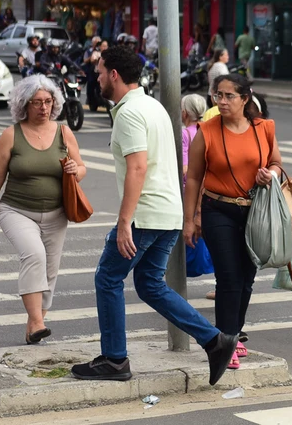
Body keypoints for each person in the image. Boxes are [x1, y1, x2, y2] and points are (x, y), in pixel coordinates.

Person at [72, 45, 237, 385]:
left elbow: (137, 168)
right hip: (168, 213)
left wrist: (123, 224)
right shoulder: (154, 106)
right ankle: (214, 340)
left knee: (107, 278)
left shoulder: (130, 113)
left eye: (101, 71)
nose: (97, 77)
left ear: (115, 75)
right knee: (149, 285)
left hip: (145, 215)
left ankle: (115, 359)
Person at [183, 74, 286, 370]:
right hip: (218, 209)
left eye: (229, 96)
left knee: (246, 279)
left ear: (245, 99)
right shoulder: (208, 130)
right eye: (219, 95)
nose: (222, 101)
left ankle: (236, 333)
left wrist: (272, 174)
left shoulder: (263, 128)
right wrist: (189, 220)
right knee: (228, 277)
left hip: (254, 212)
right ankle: (225, 341)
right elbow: (193, 178)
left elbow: (277, 162)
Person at [0, 76, 85, 343]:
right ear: (24, 104)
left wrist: (75, 170)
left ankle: (35, 325)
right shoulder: (11, 135)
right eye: (37, 102)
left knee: (50, 270)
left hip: (57, 213)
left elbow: (81, 168)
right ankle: (36, 321)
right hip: (17, 210)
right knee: (34, 255)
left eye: (48, 102)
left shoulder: (64, 133)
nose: (43, 108)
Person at [180, 94, 217, 301]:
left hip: (192, 194)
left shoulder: (187, 134)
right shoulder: (210, 130)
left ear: (185, 112)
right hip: (213, 191)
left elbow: (186, 170)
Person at [85, 37, 106, 111]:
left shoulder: (108, 53)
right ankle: (92, 102)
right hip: (94, 73)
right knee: (91, 85)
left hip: (106, 74)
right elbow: (90, 60)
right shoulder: (93, 52)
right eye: (102, 45)